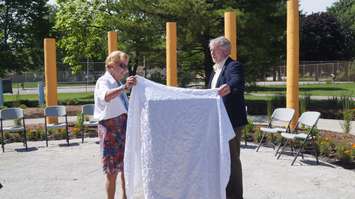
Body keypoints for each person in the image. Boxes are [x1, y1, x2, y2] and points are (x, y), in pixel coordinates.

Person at [208, 36, 247, 199]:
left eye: (213, 49)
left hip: (231, 122)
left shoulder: (233, 66)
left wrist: (229, 86)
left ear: (224, 50)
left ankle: (235, 196)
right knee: (219, 158)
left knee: (232, 159)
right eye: (210, 50)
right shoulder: (215, 70)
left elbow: (237, 81)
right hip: (216, 121)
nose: (211, 52)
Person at [94, 50, 136, 199]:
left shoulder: (118, 83)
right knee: (111, 173)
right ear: (111, 65)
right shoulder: (103, 81)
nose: (125, 70)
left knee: (126, 168)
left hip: (123, 128)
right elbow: (106, 96)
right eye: (122, 65)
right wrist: (124, 87)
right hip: (110, 130)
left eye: (126, 66)